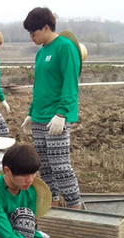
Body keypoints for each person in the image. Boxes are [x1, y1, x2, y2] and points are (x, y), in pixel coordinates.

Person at [22, 7, 82, 209]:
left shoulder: (65, 47)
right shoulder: (41, 53)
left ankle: (76, 208)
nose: (32, 37)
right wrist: (31, 112)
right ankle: (52, 205)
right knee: (45, 166)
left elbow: (70, 83)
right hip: (39, 116)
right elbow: (39, 85)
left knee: (60, 166)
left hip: (56, 117)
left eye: (34, 32)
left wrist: (62, 113)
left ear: (46, 27)